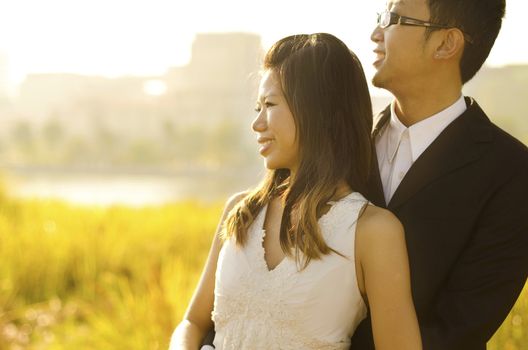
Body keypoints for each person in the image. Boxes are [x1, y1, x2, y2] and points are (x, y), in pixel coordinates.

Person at [169, 33, 422, 350]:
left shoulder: (373, 232)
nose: (257, 123)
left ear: (318, 110)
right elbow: (192, 323)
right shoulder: (240, 213)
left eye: (270, 105)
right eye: (257, 107)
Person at [350, 1, 528, 350]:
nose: (375, 34)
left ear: (447, 43)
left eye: (393, 20)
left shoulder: (512, 173)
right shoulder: (341, 140)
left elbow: (459, 329)